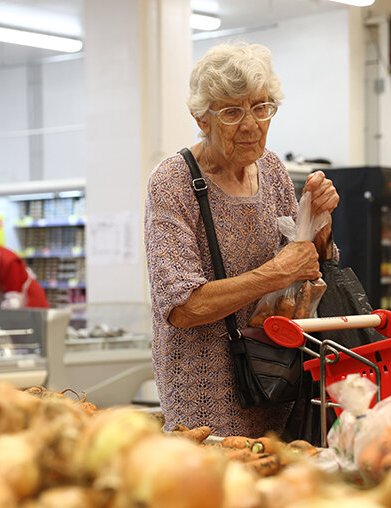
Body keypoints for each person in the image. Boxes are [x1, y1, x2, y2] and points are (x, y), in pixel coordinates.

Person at [144, 42, 339, 437]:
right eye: (232, 112)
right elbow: (183, 307)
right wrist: (274, 272)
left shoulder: (270, 169)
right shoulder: (173, 182)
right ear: (201, 118)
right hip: (204, 400)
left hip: (279, 383)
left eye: (261, 107)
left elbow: (304, 270)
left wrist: (319, 226)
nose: (251, 124)